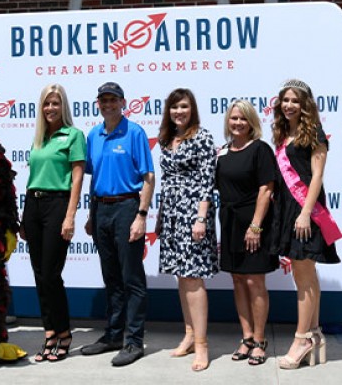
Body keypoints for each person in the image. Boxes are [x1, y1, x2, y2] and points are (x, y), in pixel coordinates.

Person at [81, 82, 155, 367]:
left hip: (127, 207)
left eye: (113, 100)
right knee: (111, 276)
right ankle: (113, 335)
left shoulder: (134, 132)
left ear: (123, 102)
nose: (108, 104)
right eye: (103, 100)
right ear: (97, 104)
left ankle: (134, 341)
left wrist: (141, 215)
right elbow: (93, 177)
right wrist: (90, 214)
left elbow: (148, 177)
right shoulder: (93, 135)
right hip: (101, 209)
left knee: (131, 278)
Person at [270, 79, 341, 369]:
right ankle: (314, 335)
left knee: (303, 274)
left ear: (305, 104)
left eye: (295, 101)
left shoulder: (316, 134)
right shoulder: (283, 132)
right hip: (288, 210)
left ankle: (302, 339)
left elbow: (317, 176)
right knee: (305, 276)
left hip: (306, 213)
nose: (289, 105)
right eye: (285, 100)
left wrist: (305, 212)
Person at [21, 84, 86, 362]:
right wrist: (25, 216)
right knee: (39, 273)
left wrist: (70, 215)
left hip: (58, 205)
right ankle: (49, 332)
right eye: (47, 103)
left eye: (55, 103)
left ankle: (64, 332)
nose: (50, 108)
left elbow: (77, 178)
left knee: (50, 273)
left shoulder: (73, 135)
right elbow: (33, 176)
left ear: (64, 106)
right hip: (33, 205)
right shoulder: (39, 138)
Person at [156, 88, 218, 372]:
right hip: (171, 213)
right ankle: (190, 335)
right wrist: (160, 217)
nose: (178, 112)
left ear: (192, 109)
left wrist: (201, 218)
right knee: (182, 277)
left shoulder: (202, 137)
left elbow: (207, 180)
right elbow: (165, 179)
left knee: (193, 277)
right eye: (174, 107)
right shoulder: (166, 139)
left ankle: (203, 344)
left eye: (184, 107)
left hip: (194, 212)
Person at [216, 100, 279, 366]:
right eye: (234, 119)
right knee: (238, 280)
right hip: (229, 221)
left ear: (252, 121)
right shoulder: (222, 153)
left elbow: (266, 189)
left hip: (254, 222)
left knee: (255, 282)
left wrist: (255, 226)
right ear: (227, 122)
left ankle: (261, 340)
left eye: (243, 119)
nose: (238, 123)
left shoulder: (260, 149)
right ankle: (247, 337)